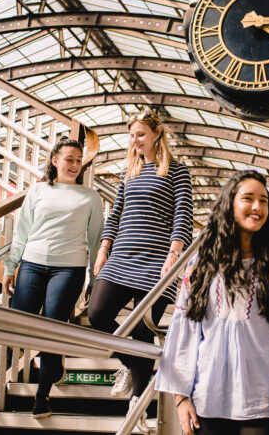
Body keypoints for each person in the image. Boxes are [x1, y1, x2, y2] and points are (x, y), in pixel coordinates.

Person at [156, 170, 269, 435]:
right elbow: (185, 331)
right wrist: (181, 397)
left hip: (264, 400)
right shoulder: (200, 266)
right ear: (230, 204)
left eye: (263, 201)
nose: (257, 207)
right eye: (248, 198)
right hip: (207, 399)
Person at [89, 108, 193, 418]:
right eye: (132, 135)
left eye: (140, 135)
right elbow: (116, 213)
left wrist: (174, 255)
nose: (135, 140)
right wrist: (103, 250)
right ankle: (132, 364)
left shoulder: (177, 171)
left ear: (156, 134)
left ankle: (138, 402)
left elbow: (182, 216)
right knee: (97, 315)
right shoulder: (128, 173)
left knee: (143, 330)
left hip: (156, 261)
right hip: (121, 256)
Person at [2, 138, 104, 419]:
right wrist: (10, 267)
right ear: (55, 161)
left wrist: (95, 280)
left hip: (69, 268)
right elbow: (21, 232)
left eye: (78, 159)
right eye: (69, 159)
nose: (74, 165)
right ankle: (55, 363)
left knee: (52, 327)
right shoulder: (37, 191)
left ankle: (42, 395)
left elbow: (96, 241)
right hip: (32, 263)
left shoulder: (90, 197)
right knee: (20, 320)